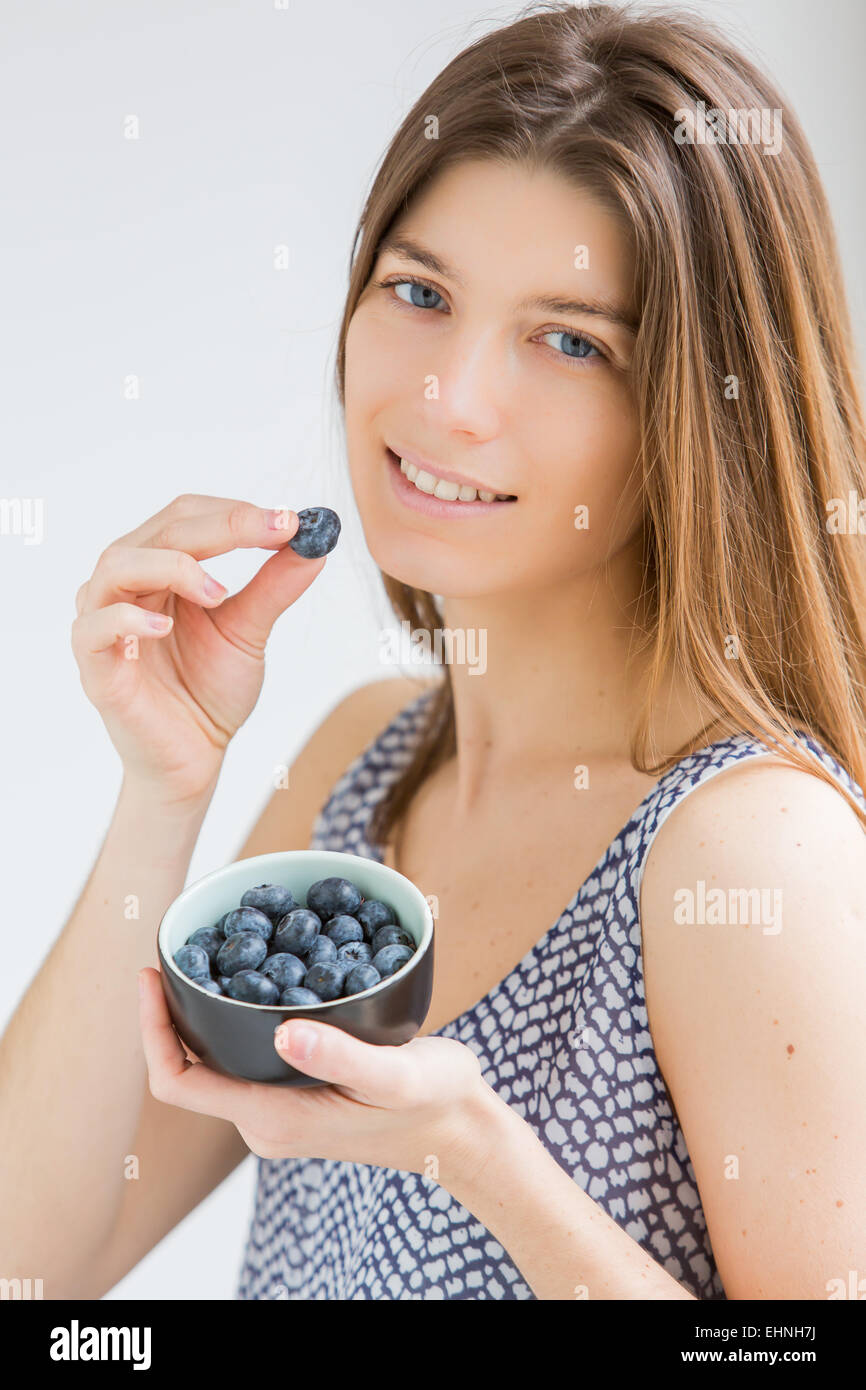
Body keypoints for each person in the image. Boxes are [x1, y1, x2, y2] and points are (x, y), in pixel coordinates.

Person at [3, 0, 865, 1301]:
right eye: (419, 291)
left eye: (570, 339)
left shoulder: (751, 848)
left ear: (699, 408)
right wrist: (160, 790)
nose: (447, 398)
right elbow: (35, 1253)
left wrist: (483, 1165)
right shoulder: (367, 762)